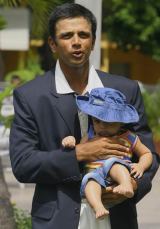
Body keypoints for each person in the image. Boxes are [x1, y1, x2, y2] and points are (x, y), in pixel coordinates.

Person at [9, 3, 159, 229]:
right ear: (53, 44)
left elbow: (149, 156)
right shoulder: (30, 95)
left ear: (93, 41)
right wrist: (79, 153)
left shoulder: (126, 89)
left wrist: (134, 186)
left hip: (118, 217)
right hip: (58, 221)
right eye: (67, 35)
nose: (76, 42)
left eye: (83, 35)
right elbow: (23, 164)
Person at [62, 87, 153, 219]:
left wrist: (141, 166)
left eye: (108, 123)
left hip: (118, 173)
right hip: (95, 173)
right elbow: (80, 150)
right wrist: (70, 141)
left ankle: (126, 184)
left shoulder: (128, 137)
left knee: (114, 163)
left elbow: (146, 153)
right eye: (96, 121)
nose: (101, 127)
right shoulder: (90, 135)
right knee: (89, 181)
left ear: (120, 122)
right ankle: (98, 206)